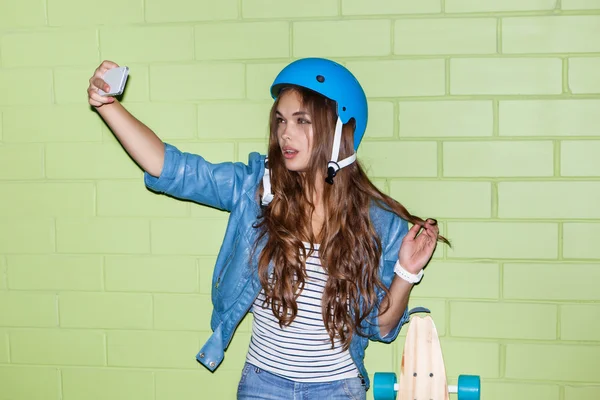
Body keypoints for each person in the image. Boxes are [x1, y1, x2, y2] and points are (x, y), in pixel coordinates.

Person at [87, 58, 445, 400]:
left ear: (341, 130)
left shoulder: (378, 221)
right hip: (263, 385)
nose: (285, 133)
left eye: (302, 121)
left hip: (337, 389)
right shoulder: (257, 190)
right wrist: (107, 106)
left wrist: (406, 272)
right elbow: (176, 170)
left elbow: (380, 328)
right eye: (281, 120)